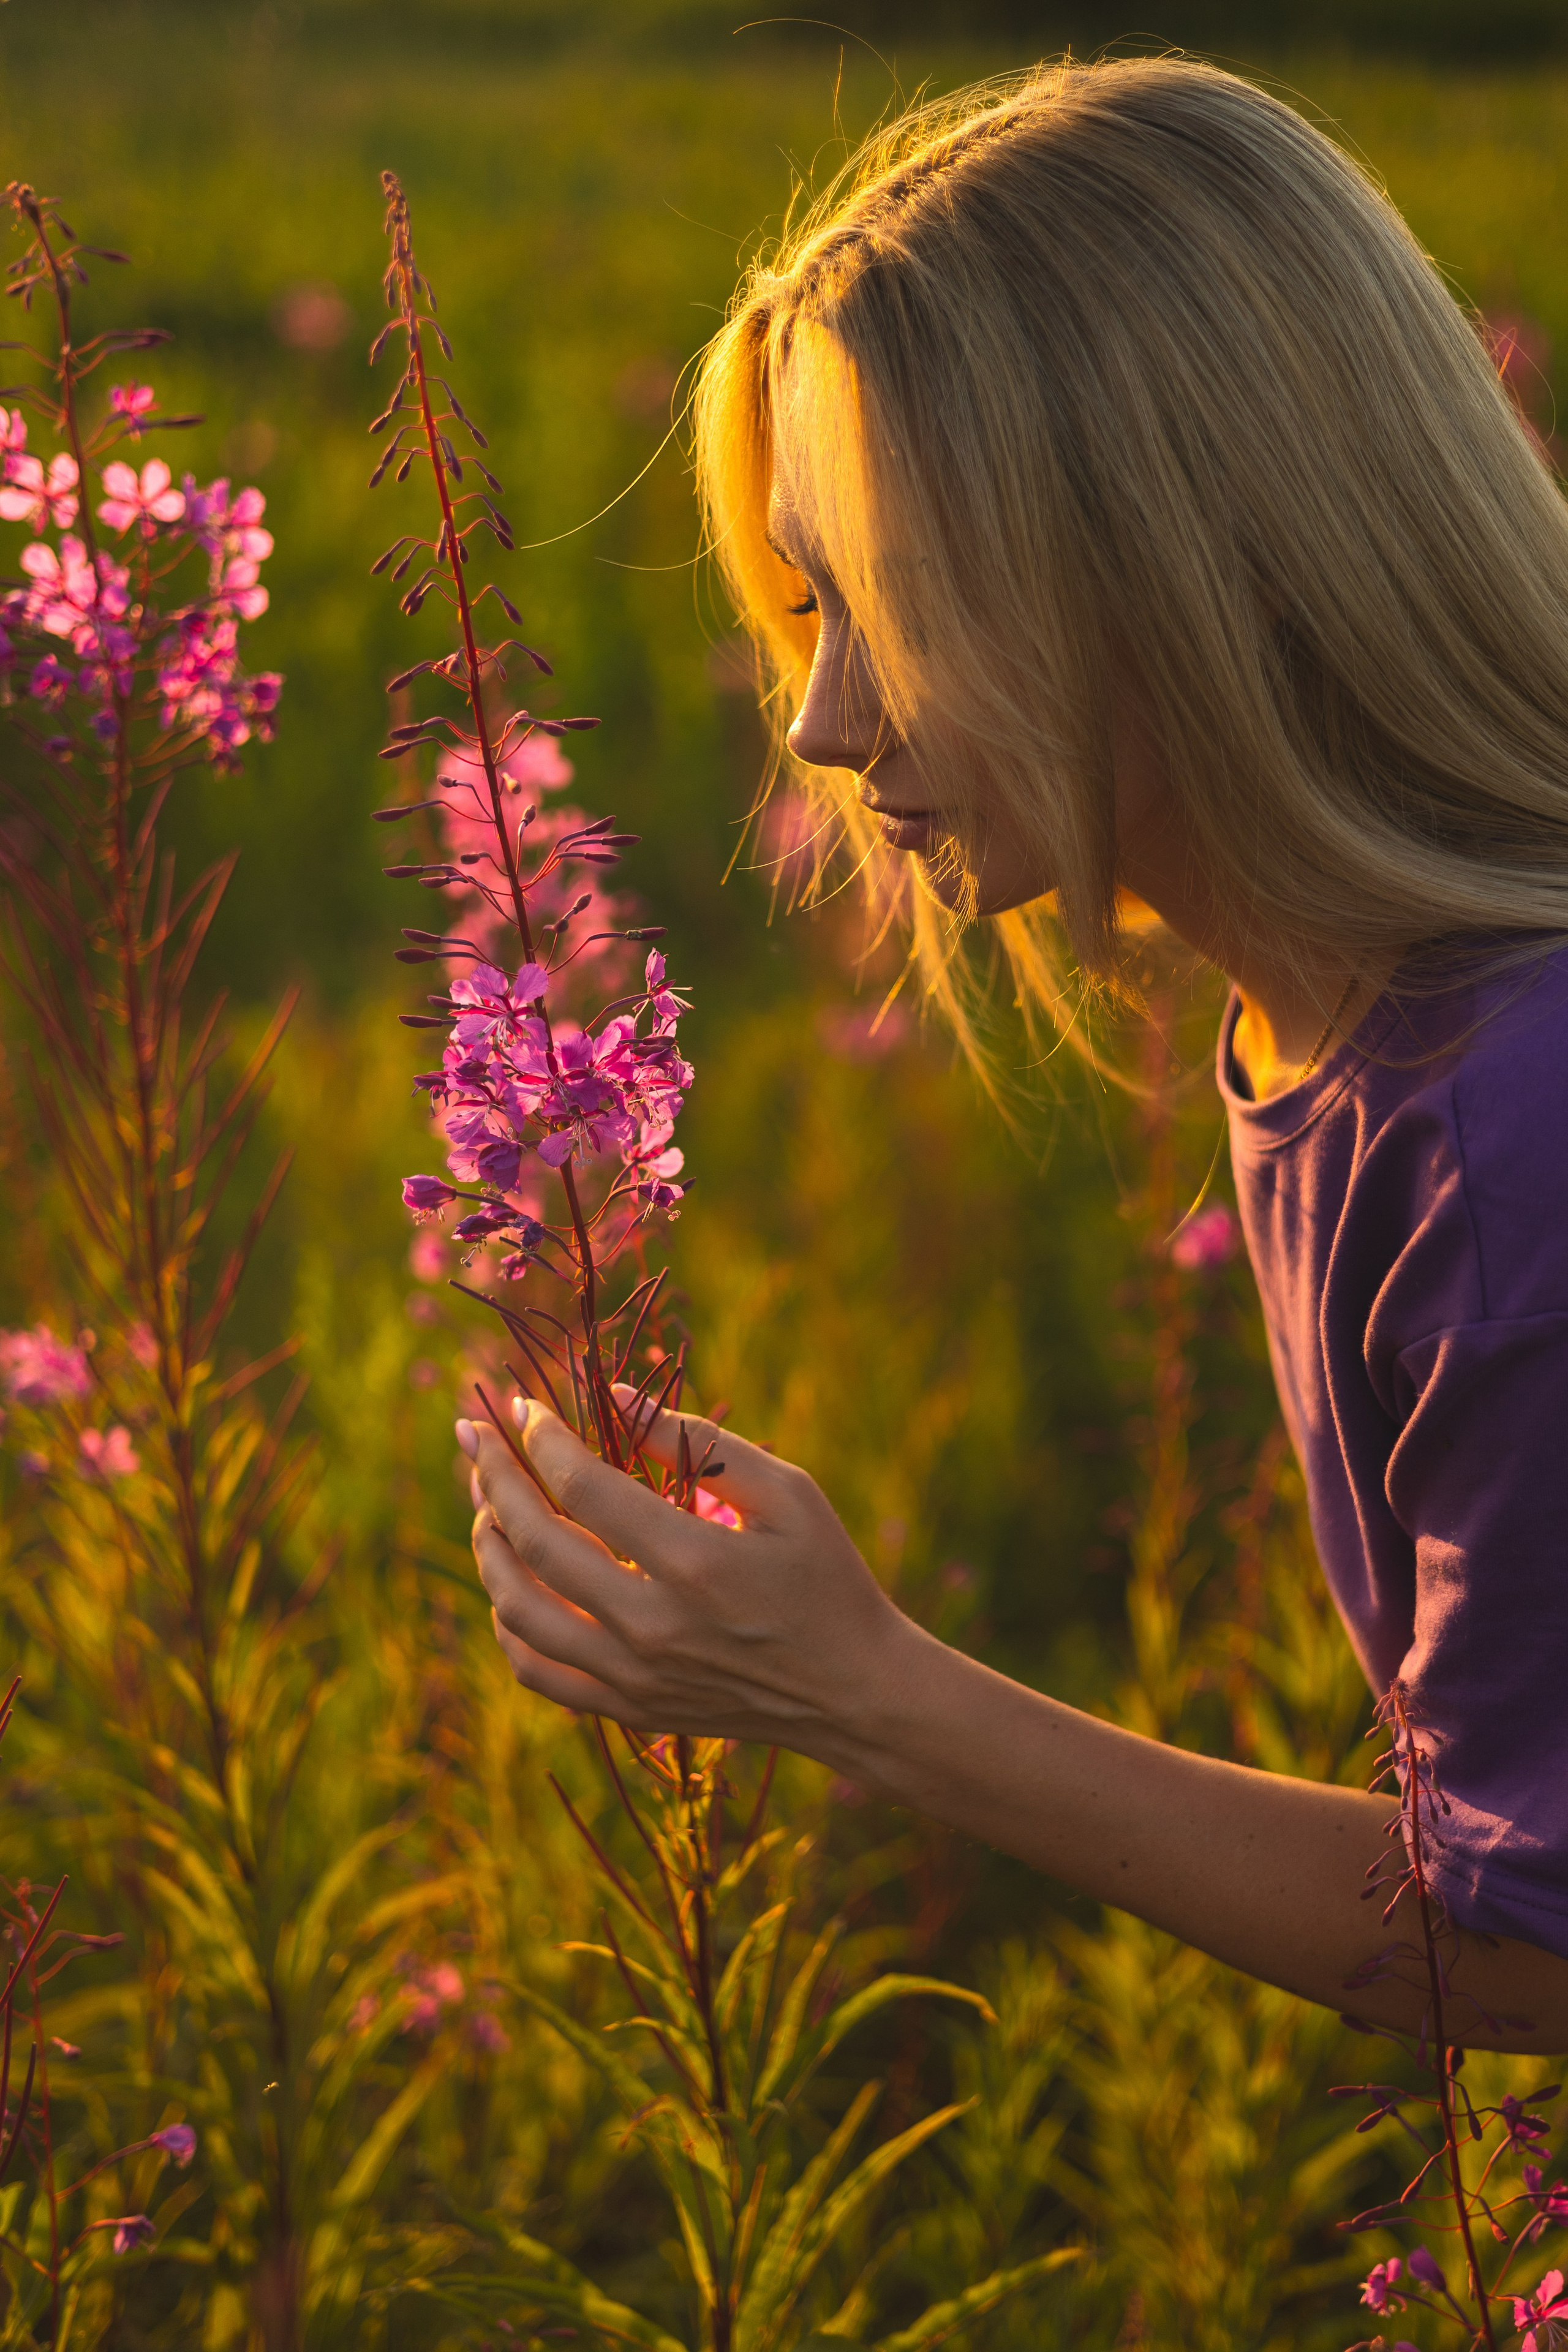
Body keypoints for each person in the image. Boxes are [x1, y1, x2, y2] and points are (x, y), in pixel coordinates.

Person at [455, 56, 1568, 2053]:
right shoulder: (1350, 1025)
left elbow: (1534, 1943)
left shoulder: (1517, 1125)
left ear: (1198, 563)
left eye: (893, 602)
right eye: (806, 605)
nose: (819, 722)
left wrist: (863, 1690)